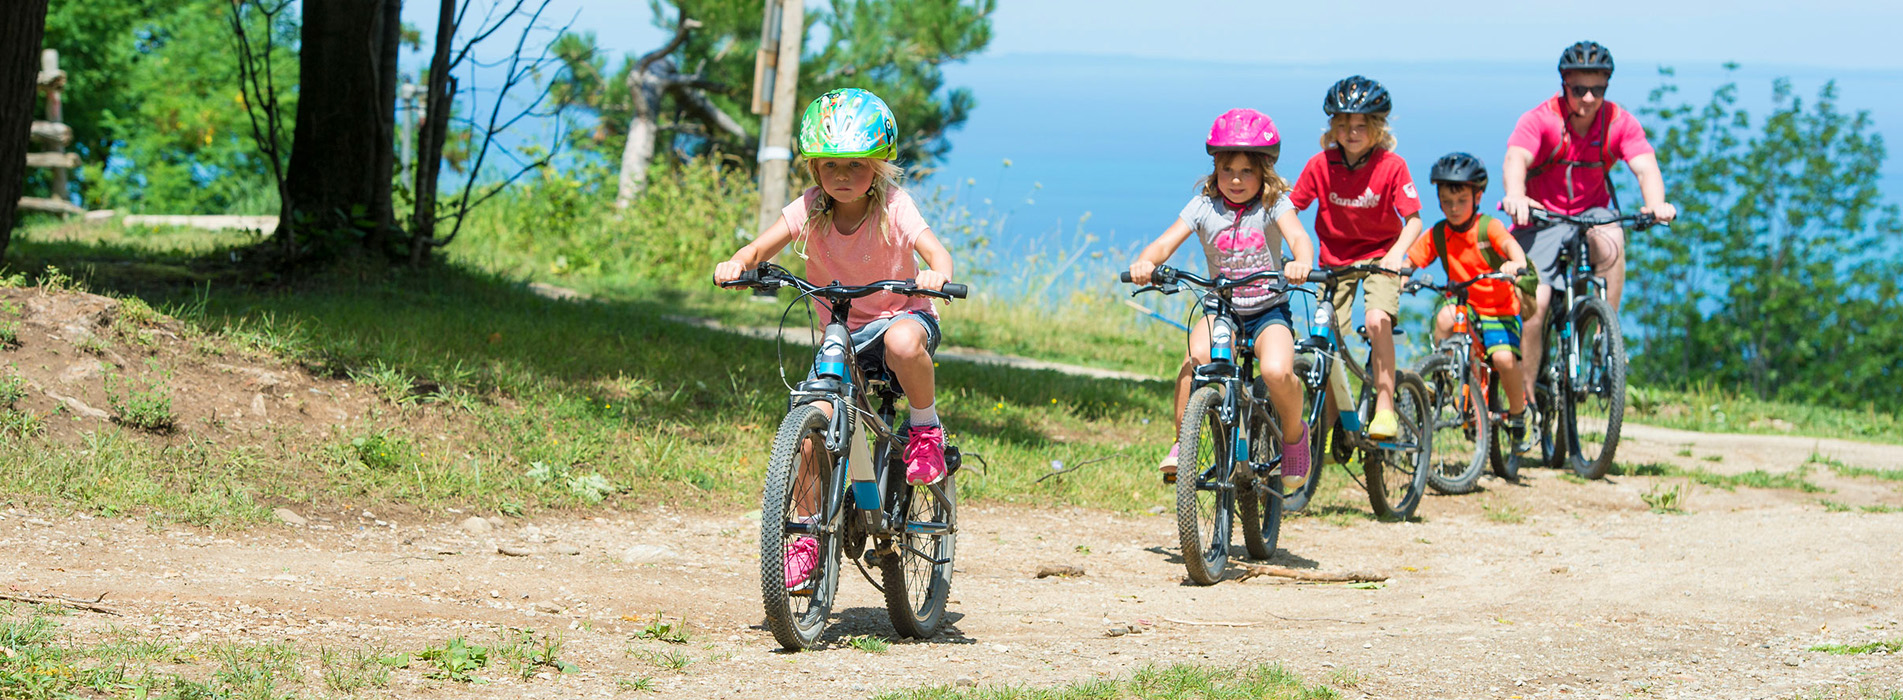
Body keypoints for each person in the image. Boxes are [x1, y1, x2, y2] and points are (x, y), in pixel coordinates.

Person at [712, 88, 955, 587]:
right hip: (843, 330)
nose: (842, 177)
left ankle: (925, 428)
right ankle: (804, 537)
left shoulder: (894, 206)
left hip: (902, 316)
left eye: (856, 166)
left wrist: (935, 275)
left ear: (879, 167)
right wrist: (742, 261)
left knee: (903, 344)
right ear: (814, 169)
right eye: (830, 166)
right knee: (810, 426)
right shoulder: (810, 207)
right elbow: (763, 243)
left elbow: (938, 254)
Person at [1128, 109, 1318, 488]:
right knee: (1193, 361)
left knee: (1277, 372)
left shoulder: (1274, 204)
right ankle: (1183, 446)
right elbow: (1166, 242)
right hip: (1222, 308)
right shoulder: (1203, 206)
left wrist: (1302, 262)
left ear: (1263, 170)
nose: (1235, 179)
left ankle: (1296, 437)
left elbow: (1298, 238)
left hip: (1268, 310)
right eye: (1227, 169)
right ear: (1215, 168)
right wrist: (1146, 262)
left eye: (1246, 171)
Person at [1499, 40, 1678, 403]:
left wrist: (1656, 204)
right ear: (1564, 85)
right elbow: (1516, 158)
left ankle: (1601, 334)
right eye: (1579, 89)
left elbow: (1645, 166)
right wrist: (1516, 196)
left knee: (1612, 241)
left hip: (1592, 213)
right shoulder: (1541, 120)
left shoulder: (1618, 122)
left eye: (1597, 89)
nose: (1588, 99)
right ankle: (1528, 398)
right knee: (1536, 305)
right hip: (1542, 216)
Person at [1290, 75, 1423, 440]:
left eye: (1361, 125)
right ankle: (1335, 422)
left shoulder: (1391, 166)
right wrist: (1287, 249)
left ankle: (1384, 407)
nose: (1352, 132)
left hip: (1381, 258)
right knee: (1326, 334)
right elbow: (1289, 209)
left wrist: (1397, 255)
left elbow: (1413, 221)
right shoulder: (1321, 164)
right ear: (1333, 126)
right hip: (1335, 263)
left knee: (1378, 319)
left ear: (1377, 128)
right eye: (1344, 124)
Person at [1405, 153, 1539, 452]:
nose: (1453, 208)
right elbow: (1412, 260)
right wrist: (1401, 279)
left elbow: (1510, 246)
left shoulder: (1488, 227)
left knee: (1504, 360)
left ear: (1477, 197)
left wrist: (1515, 263)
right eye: (1446, 201)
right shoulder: (1440, 232)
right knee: (1443, 319)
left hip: (1499, 310)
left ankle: (1518, 415)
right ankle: (1443, 375)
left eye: (1461, 200)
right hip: (1465, 307)